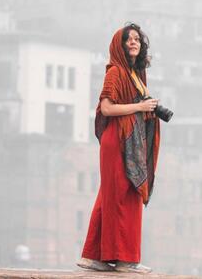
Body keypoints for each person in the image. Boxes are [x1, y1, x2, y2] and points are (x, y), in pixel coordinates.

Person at [77, 23, 162, 274]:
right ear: (120, 44)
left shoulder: (136, 74)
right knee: (124, 193)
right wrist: (139, 107)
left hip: (130, 138)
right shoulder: (115, 71)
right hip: (117, 139)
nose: (134, 42)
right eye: (128, 39)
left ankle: (95, 256)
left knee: (112, 195)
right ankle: (124, 259)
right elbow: (107, 108)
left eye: (137, 39)